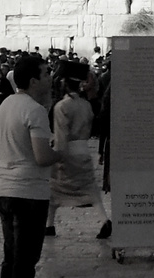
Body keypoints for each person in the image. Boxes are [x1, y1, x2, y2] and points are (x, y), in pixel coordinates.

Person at [0, 54, 64, 278]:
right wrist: (62, 152)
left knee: (11, 259)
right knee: (24, 262)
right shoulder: (34, 111)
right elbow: (42, 156)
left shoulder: (6, 105)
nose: (50, 78)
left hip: (4, 189)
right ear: (34, 80)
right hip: (28, 193)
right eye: (46, 73)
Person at [45, 62, 112, 240]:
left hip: (68, 152)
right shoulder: (86, 105)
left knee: (53, 188)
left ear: (64, 83)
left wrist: (57, 159)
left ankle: (49, 225)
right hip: (83, 151)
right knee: (91, 191)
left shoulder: (62, 107)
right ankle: (104, 220)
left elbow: (61, 137)